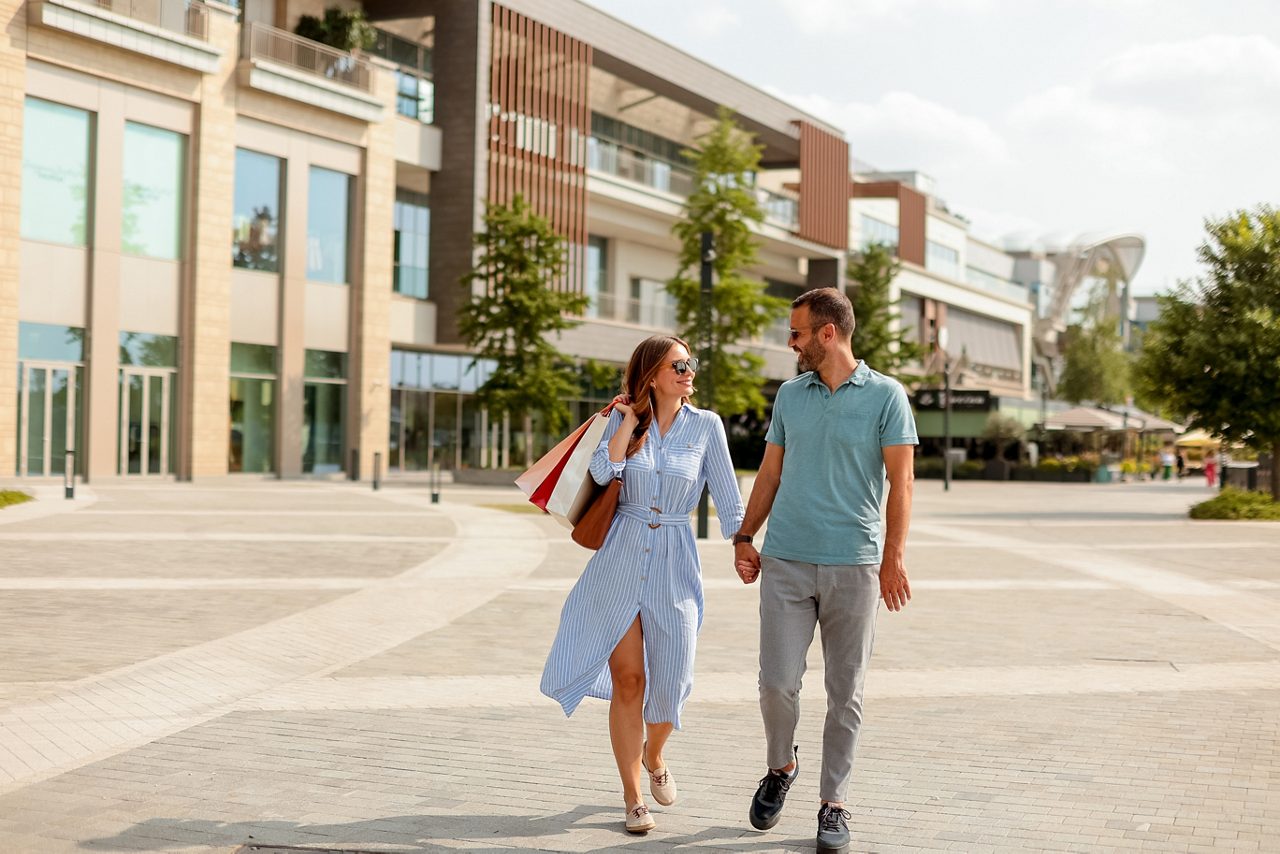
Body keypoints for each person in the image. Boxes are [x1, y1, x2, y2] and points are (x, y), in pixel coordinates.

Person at [733, 287, 917, 854]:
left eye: (797, 333)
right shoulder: (790, 395)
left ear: (828, 333)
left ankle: (833, 803)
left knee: (846, 692)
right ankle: (781, 764)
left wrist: (893, 559)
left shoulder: (887, 396)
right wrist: (745, 534)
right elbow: (768, 474)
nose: (791, 343)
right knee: (777, 683)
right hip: (786, 559)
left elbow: (901, 484)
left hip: (853, 565)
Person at [540, 335, 744, 835]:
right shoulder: (621, 420)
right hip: (620, 559)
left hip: (675, 561)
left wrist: (745, 545)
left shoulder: (707, 427)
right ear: (652, 373)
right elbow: (603, 472)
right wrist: (627, 423)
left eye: (691, 363)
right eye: (678, 364)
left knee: (671, 682)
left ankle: (656, 754)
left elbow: (729, 497)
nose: (688, 371)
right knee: (629, 681)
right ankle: (633, 797)